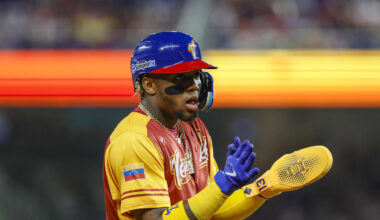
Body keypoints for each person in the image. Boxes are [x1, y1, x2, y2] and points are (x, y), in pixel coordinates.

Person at [102, 31, 332, 220]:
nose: (194, 86)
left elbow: (213, 210)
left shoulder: (195, 129)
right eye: (181, 77)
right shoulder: (134, 140)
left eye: (196, 76)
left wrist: (266, 185)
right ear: (149, 85)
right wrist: (222, 185)